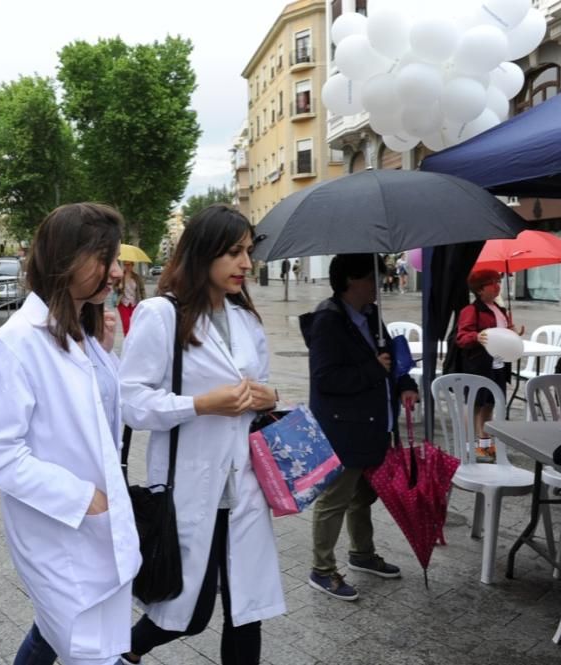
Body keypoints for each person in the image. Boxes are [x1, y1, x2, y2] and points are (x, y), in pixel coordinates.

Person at [119, 204, 285, 665]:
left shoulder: (246, 319)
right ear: (203, 252)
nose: (246, 264)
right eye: (234, 253)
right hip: (191, 489)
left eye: (248, 252)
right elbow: (130, 402)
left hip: (245, 486)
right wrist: (198, 404)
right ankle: (121, 650)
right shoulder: (161, 315)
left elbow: (262, 389)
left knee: (246, 611)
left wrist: (268, 395)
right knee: (186, 612)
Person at [0, 202, 139, 665]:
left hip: (97, 524)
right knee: (87, 647)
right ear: (67, 260)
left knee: (60, 634)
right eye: (106, 259)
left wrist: (102, 360)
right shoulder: (13, 344)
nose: (116, 272)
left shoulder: (82, 334)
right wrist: (84, 498)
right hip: (60, 528)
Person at [299, 253, 418, 602]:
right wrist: (372, 369)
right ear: (353, 280)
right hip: (344, 427)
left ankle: (362, 554)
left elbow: (390, 359)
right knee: (336, 498)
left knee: (363, 495)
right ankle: (321, 570)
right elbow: (325, 379)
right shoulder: (328, 321)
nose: (379, 286)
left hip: (374, 424)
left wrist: (405, 383)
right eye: (373, 279)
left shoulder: (370, 315)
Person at [454, 269, 524, 463]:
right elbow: (461, 338)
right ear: (479, 289)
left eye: (498, 282)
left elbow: (503, 336)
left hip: (498, 364)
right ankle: (468, 445)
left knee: (489, 404)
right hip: (479, 364)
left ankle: (485, 444)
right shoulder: (471, 310)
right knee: (475, 405)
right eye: (492, 283)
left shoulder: (500, 309)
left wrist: (513, 332)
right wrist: (476, 336)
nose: (497, 286)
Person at [115, 261, 145, 337]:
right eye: (125, 264)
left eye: (128, 265)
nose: (127, 266)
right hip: (123, 303)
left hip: (134, 303)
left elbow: (142, 289)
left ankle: (134, 339)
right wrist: (118, 287)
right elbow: (114, 287)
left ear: (132, 265)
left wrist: (144, 301)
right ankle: (127, 340)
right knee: (126, 324)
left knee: (135, 323)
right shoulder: (121, 276)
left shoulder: (137, 277)